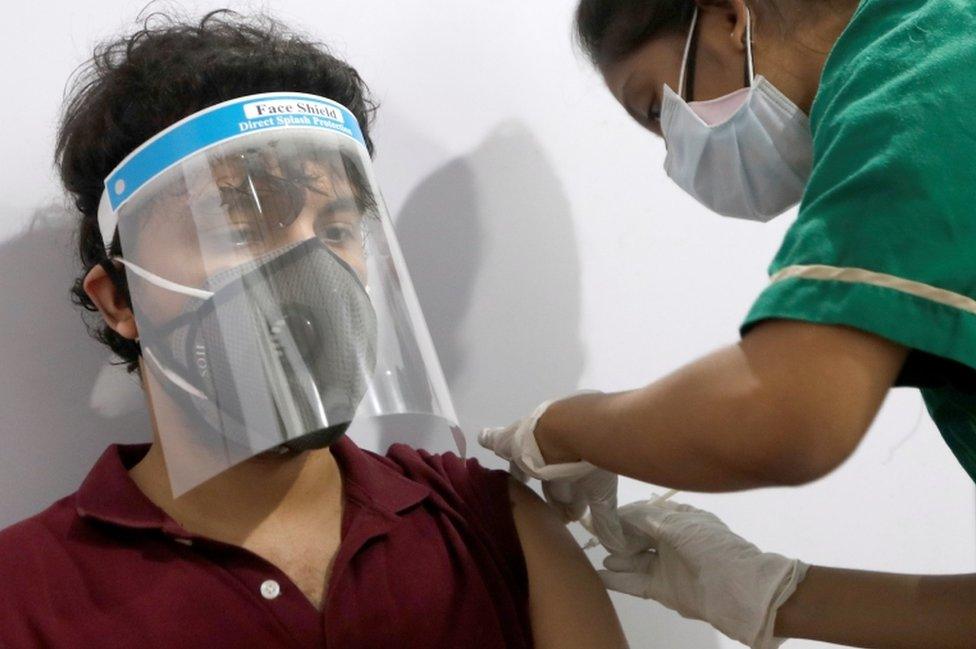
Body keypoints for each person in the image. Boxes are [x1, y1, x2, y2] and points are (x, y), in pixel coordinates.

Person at [0, 11, 627, 649]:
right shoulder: (22, 594)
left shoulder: (489, 524)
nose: (309, 273)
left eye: (334, 231)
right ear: (119, 303)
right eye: (239, 229)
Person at [481, 0, 976, 647]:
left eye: (656, 110)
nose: (675, 154)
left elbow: (784, 415)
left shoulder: (916, 91)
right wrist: (774, 593)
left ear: (728, 18)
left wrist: (566, 428)